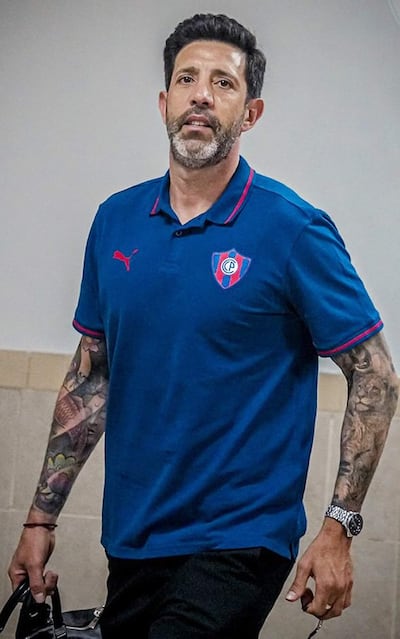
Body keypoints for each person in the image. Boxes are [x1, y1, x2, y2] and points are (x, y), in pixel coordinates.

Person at [8, 13, 398, 639]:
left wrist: (339, 527)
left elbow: (375, 376)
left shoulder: (293, 229)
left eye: (223, 83)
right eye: (188, 79)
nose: (201, 95)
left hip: (240, 539)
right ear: (164, 102)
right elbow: (92, 379)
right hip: (133, 536)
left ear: (251, 113)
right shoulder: (115, 222)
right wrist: (40, 520)